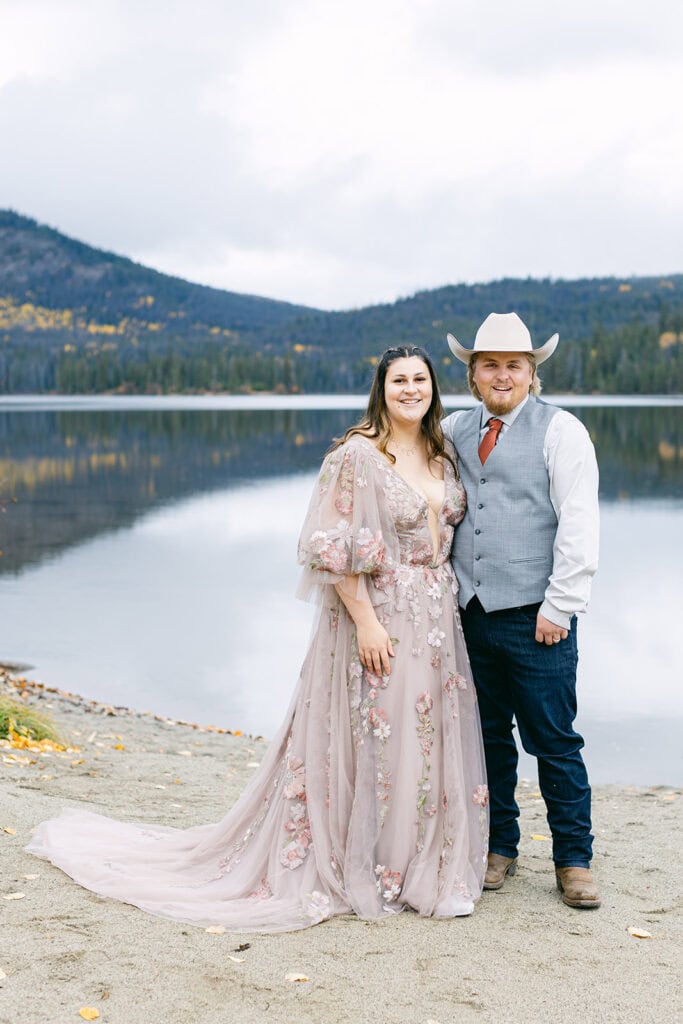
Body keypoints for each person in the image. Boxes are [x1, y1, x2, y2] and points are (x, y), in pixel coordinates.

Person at [26, 346, 488, 932]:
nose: (411, 390)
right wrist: (367, 621)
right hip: (382, 616)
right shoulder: (357, 455)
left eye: (420, 379)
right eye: (399, 380)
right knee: (380, 737)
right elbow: (331, 549)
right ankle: (374, 868)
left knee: (425, 739)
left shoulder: (442, 453)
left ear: (434, 388)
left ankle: (426, 869)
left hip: (438, 617)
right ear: (382, 388)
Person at [442, 312, 600, 909]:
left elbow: (579, 525)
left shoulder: (562, 432)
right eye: (490, 365)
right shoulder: (454, 427)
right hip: (469, 613)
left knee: (554, 740)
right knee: (485, 740)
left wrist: (560, 605)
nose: (501, 375)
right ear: (473, 375)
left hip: (539, 615)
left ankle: (574, 860)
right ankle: (498, 848)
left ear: (532, 374)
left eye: (514, 365)